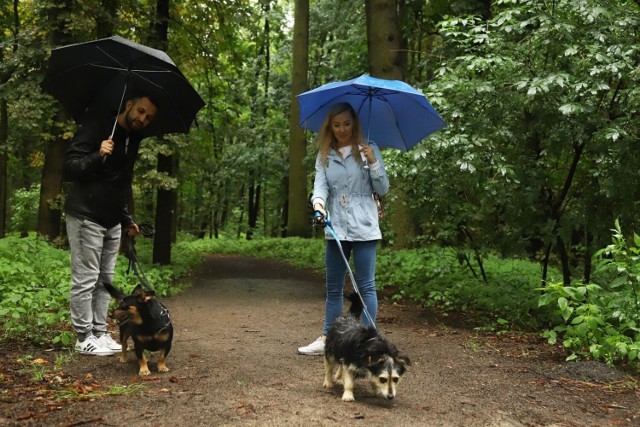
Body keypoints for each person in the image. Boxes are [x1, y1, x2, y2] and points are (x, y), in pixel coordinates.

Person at [63, 94, 158, 356]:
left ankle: (99, 331)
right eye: (140, 111)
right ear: (128, 105)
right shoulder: (96, 126)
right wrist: (97, 154)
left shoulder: (133, 140)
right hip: (85, 214)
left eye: (148, 117)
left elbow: (121, 182)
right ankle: (83, 337)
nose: (142, 118)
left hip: (112, 219)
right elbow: (70, 168)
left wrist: (126, 218)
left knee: (105, 279)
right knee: (85, 278)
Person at [298, 102, 390, 356]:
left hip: (364, 225)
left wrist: (373, 162)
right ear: (330, 126)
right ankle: (329, 338)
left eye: (347, 124)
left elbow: (382, 189)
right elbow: (321, 187)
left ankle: (368, 340)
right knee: (334, 287)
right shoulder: (325, 154)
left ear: (354, 124)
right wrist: (318, 205)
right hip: (335, 225)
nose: (342, 129)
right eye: (336, 125)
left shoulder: (369, 149)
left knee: (366, 286)